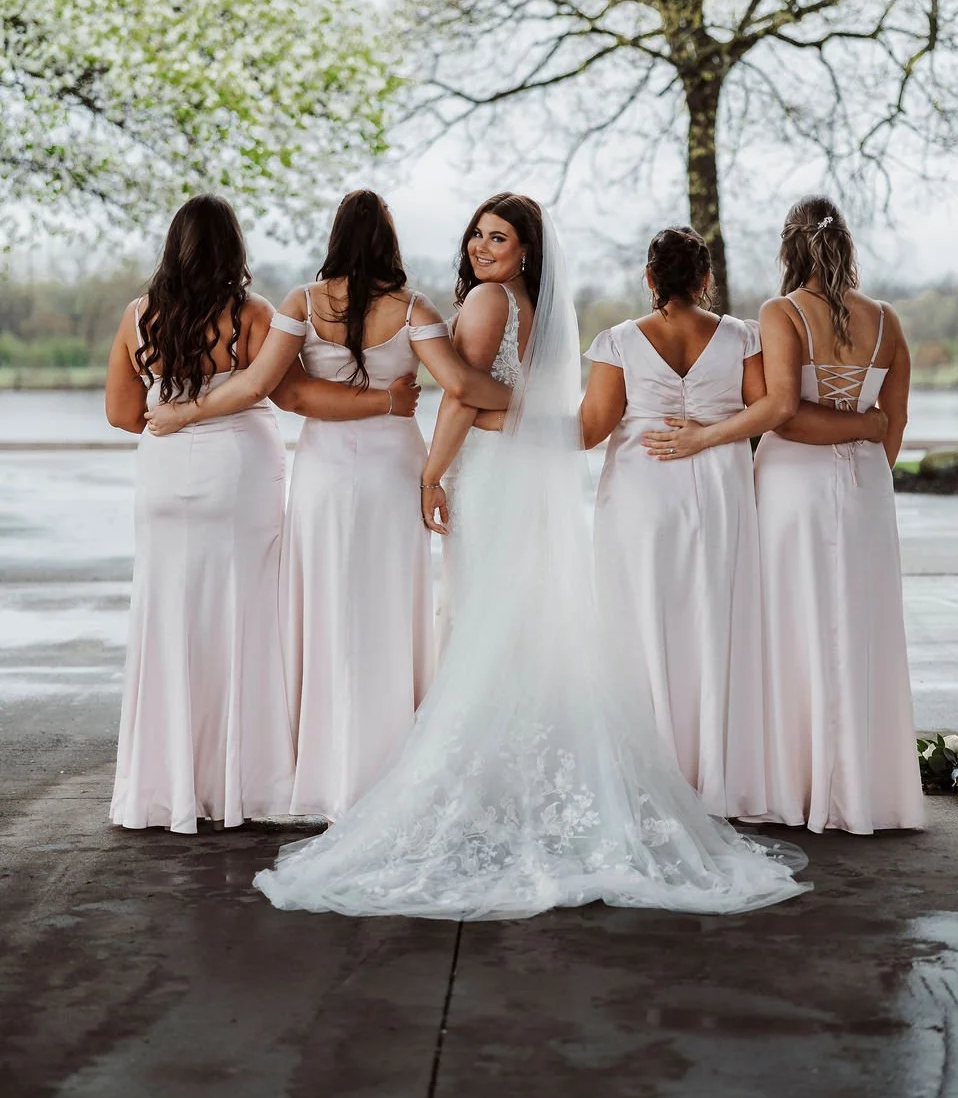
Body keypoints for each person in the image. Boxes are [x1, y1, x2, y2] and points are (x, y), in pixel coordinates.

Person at [250, 196, 809, 921]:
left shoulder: (486, 301)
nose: (483, 247)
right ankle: (520, 782)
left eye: (499, 237)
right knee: (521, 625)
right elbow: (522, 399)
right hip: (528, 475)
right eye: (478, 233)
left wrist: (431, 476)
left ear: (525, 249)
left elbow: (456, 394)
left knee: (483, 624)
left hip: (490, 475)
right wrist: (497, 410)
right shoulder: (534, 303)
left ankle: (485, 790)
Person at [146, 189, 512, 820]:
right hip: (392, 469)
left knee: (320, 610)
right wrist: (530, 404)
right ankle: (394, 765)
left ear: (336, 237)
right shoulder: (413, 308)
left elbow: (269, 388)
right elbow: (457, 385)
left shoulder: (303, 303)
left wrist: (184, 412)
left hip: (321, 470)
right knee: (391, 611)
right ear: (388, 241)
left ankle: (318, 774)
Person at [646, 197, 921, 834]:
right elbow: (894, 422)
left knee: (788, 623)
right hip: (868, 487)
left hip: (794, 482)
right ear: (846, 247)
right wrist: (865, 450)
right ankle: (864, 791)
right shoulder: (887, 319)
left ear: (787, 250)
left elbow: (784, 412)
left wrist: (704, 437)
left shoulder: (780, 312)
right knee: (862, 625)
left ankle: (796, 786)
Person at [105, 195, 294, 831]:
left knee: (168, 618)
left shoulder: (140, 317)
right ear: (233, 249)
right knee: (245, 616)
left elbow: (122, 415)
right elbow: (273, 390)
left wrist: (172, 414)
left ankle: (164, 789)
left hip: (163, 474)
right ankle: (243, 786)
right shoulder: (252, 315)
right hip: (238, 473)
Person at [579, 226, 775, 818]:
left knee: (640, 622)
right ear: (705, 279)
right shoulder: (741, 336)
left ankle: (649, 769)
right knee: (714, 620)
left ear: (649, 279)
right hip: (719, 491)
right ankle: (714, 772)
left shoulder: (618, 342)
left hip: (642, 495)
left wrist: (513, 423)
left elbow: (589, 430)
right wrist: (711, 433)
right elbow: (767, 407)